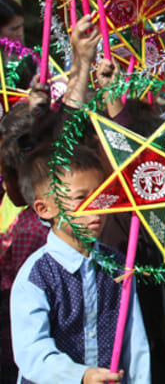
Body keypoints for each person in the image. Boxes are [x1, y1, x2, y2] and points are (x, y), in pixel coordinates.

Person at [10, 144, 150, 383]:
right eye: (80, 198)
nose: (94, 206)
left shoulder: (117, 264)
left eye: (100, 195)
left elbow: (134, 342)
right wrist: (81, 375)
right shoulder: (36, 275)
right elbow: (31, 352)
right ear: (45, 209)